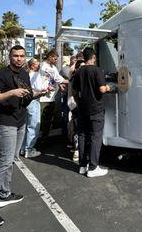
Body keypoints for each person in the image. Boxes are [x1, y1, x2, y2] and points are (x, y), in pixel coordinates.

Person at [0, 45, 33, 228]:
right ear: (10, 56)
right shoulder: (0, 74)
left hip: (20, 121)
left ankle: (5, 193)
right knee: (4, 161)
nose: (19, 58)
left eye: (22, 56)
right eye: (15, 55)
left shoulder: (24, 74)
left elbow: (26, 97)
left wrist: (39, 93)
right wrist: (11, 92)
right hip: (5, 123)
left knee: (12, 159)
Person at [73, 47, 111, 177]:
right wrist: (108, 87)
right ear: (93, 57)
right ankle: (93, 168)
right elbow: (101, 89)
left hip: (82, 109)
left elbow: (74, 92)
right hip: (96, 109)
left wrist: (79, 104)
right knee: (96, 137)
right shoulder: (97, 70)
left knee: (82, 136)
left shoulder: (78, 72)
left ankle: (82, 166)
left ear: (84, 57)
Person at [20, 58, 49, 158]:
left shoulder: (26, 75)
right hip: (34, 101)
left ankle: (23, 148)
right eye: (37, 64)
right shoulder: (36, 75)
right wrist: (47, 87)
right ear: (32, 66)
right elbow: (41, 89)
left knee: (26, 125)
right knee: (33, 126)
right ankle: (29, 149)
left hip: (26, 102)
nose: (39, 65)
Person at [39, 50, 69, 142]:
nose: (56, 61)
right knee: (41, 120)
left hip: (51, 97)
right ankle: (38, 139)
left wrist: (68, 81)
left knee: (48, 119)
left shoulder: (53, 67)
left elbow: (58, 79)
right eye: (55, 59)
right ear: (50, 57)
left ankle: (44, 138)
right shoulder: (42, 66)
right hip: (42, 98)